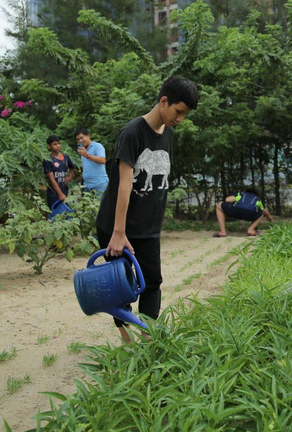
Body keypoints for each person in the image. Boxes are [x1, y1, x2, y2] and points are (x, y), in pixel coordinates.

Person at [95, 76, 199, 343]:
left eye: (184, 115)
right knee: (121, 288)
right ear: (164, 101)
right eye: (179, 112)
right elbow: (124, 186)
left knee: (152, 283)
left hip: (148, 228)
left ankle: (149, 340)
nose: (180, 119)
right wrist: (119, 233)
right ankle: (129, 345)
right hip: (117, 227)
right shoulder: (132, 133)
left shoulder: (168, 134)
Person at [43, 135, 76, 211]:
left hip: (64, 189)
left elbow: (72, 167)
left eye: (59, 143)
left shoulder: (65, 157)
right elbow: (52, 179)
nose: (58, 146)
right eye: (55, 144)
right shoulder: (48, 160)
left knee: (64, 211)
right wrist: (60, 193)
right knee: (55, 212)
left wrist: (69, 177)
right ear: (49, 147)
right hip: (53, 193)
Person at [74, 127, 109, 198]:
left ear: (88, 136)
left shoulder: (97, 146)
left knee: (100, 208)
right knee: (89, 208)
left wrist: (87, 155)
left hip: (100, 184)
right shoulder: (83, 150)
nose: (80, 141)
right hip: (87, 186)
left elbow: (103, 160)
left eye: (81, 138)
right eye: (78, 139)